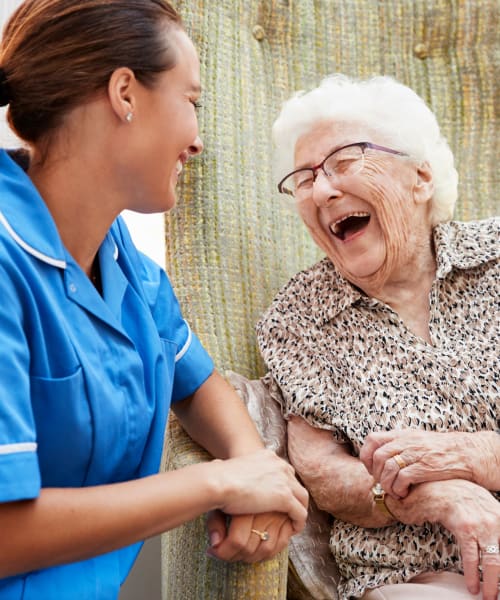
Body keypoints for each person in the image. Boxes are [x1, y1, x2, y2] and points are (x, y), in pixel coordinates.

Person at [0, 1, 309, 598]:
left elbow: (193, 380)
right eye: (191, 101)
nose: (197, 141)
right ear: (125, 94)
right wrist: (218, 484)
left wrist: (256, 466)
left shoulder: (119, 258)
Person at [255, 74, 499, 600]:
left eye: (345, 161)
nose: (323, 189)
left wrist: (473, 455)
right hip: (412, 579)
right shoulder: (299, 317)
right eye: (305, 178)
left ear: (421, 177)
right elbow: (322, 474)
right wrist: (438, 497)